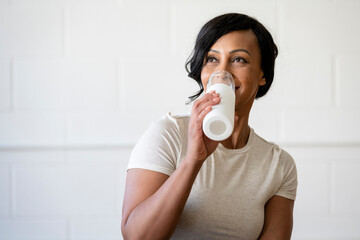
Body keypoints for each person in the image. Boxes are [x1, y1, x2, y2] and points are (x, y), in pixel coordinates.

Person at [121, 13, 297, 240]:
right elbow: (138, 237)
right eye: (212, 59)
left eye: (239, 60)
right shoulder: (168, 134)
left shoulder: (279, 165)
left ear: (262, 74)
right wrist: (193, 161)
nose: (221, 72)